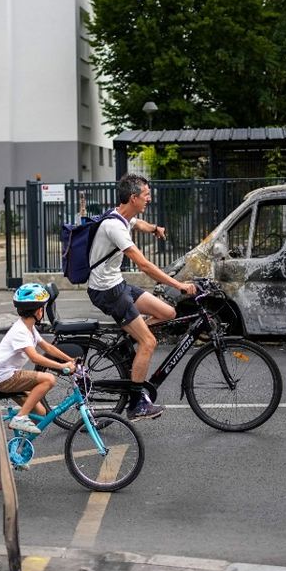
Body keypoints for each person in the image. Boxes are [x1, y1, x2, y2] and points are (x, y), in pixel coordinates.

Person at [87, 173, 197, 421]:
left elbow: (139, 224)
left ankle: (129, 338)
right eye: (146, 195)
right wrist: (178, 285)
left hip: (118, 284)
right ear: (134, 197)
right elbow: (144, 266)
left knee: (167, 313)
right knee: (148, 342)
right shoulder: (114, 226)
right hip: (107, 291)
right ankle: (136, 404)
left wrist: (155, 228)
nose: (149, 199)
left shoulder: (123, 216)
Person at [0, 283, 77, 435]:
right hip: (4, 378)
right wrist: (61, 367)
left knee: (40, 414)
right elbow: (35, 358)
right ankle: (20, 417)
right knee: (49, 379)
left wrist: (70, 359)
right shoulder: (20, 331)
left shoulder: (29, 328)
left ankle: (17, 446)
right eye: (43, 308)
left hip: (8, 375)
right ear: (39, 311)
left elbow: (48, 347)